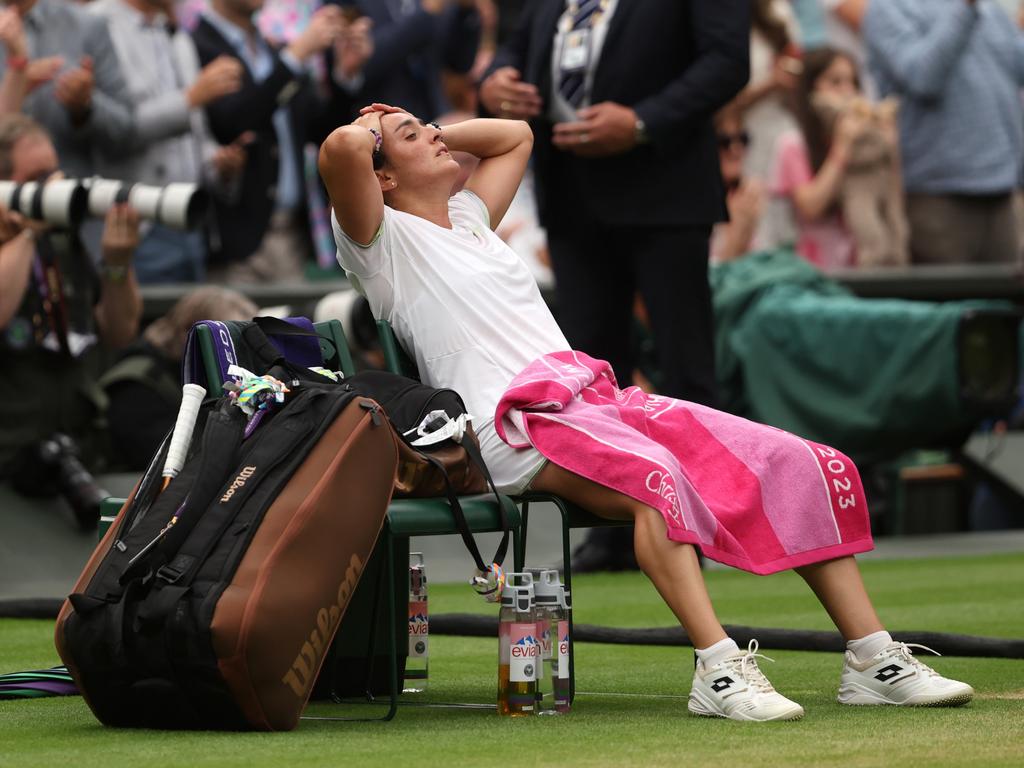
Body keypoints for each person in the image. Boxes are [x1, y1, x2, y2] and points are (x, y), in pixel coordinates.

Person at [319, 104, 975, 721]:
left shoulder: (467, 216)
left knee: (802, 460)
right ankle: (717, 671)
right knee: (656, 481)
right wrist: (372, 126)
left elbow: (517, 133)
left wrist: (421, 131)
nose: (437, 135)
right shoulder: (381, 245)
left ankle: (873, 659)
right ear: (380, 175)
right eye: (413, 137)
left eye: (433, 127)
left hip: (595, 400)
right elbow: (340, 149)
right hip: (511, 424)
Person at [478, 0, 749, 572]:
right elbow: (514, 48)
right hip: (573, 193)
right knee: (589, 376)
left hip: (666, 184)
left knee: (684, 363)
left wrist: (643, 120)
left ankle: (700, 529)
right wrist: (496, 81)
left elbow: (728, 61)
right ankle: (612, 529)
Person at [0, 114, 142, 527]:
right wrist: (28, 233)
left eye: (56, 171)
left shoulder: (63, 239)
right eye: (38, 178)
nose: (55, 185)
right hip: (9, 462)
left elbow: (118, 331)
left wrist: (117, 265)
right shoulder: (31, 237)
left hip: (77, 455)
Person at [89, 0, 250, 285]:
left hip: (191, 224)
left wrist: (220, 164)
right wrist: (190, 99)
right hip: (137, 228)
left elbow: (197, 135)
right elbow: (112, 129)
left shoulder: (176, 35)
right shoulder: (97, 25)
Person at [192, 0, 348, 281]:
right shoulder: (197, 44)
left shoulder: (271, 48)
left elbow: (317, 128)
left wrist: (344, 74)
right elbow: (233, 123)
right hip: (236, 242)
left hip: (292, 234)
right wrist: (295, 57)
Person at [864, 0, 1024, 265]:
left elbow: (1017, 67)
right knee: (950, 302)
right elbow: (923, 76)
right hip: (937, 195)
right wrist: (965, 8)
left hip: (1002, 189)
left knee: (1007, 304)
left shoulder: (991, 10)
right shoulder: (889, 8)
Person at [102, 286, 258, 470]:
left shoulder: (206, 376)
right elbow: (165, 462)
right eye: (229, 344)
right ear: (190, 333)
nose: (239, 356)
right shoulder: (137, 385)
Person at [0, 0, 134, 180]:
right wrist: (16, 83)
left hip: (72, 196)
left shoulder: (87, 24)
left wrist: (86, 106)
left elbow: (126, 130)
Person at [771, 47, 869, 269]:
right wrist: (842, 148)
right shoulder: (792, 143)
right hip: (814, 269)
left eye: (852, 82)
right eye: (835, 82)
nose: (847, 92)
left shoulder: (864, 143)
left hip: (861, 265)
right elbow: (811, 207)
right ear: (810, 88)